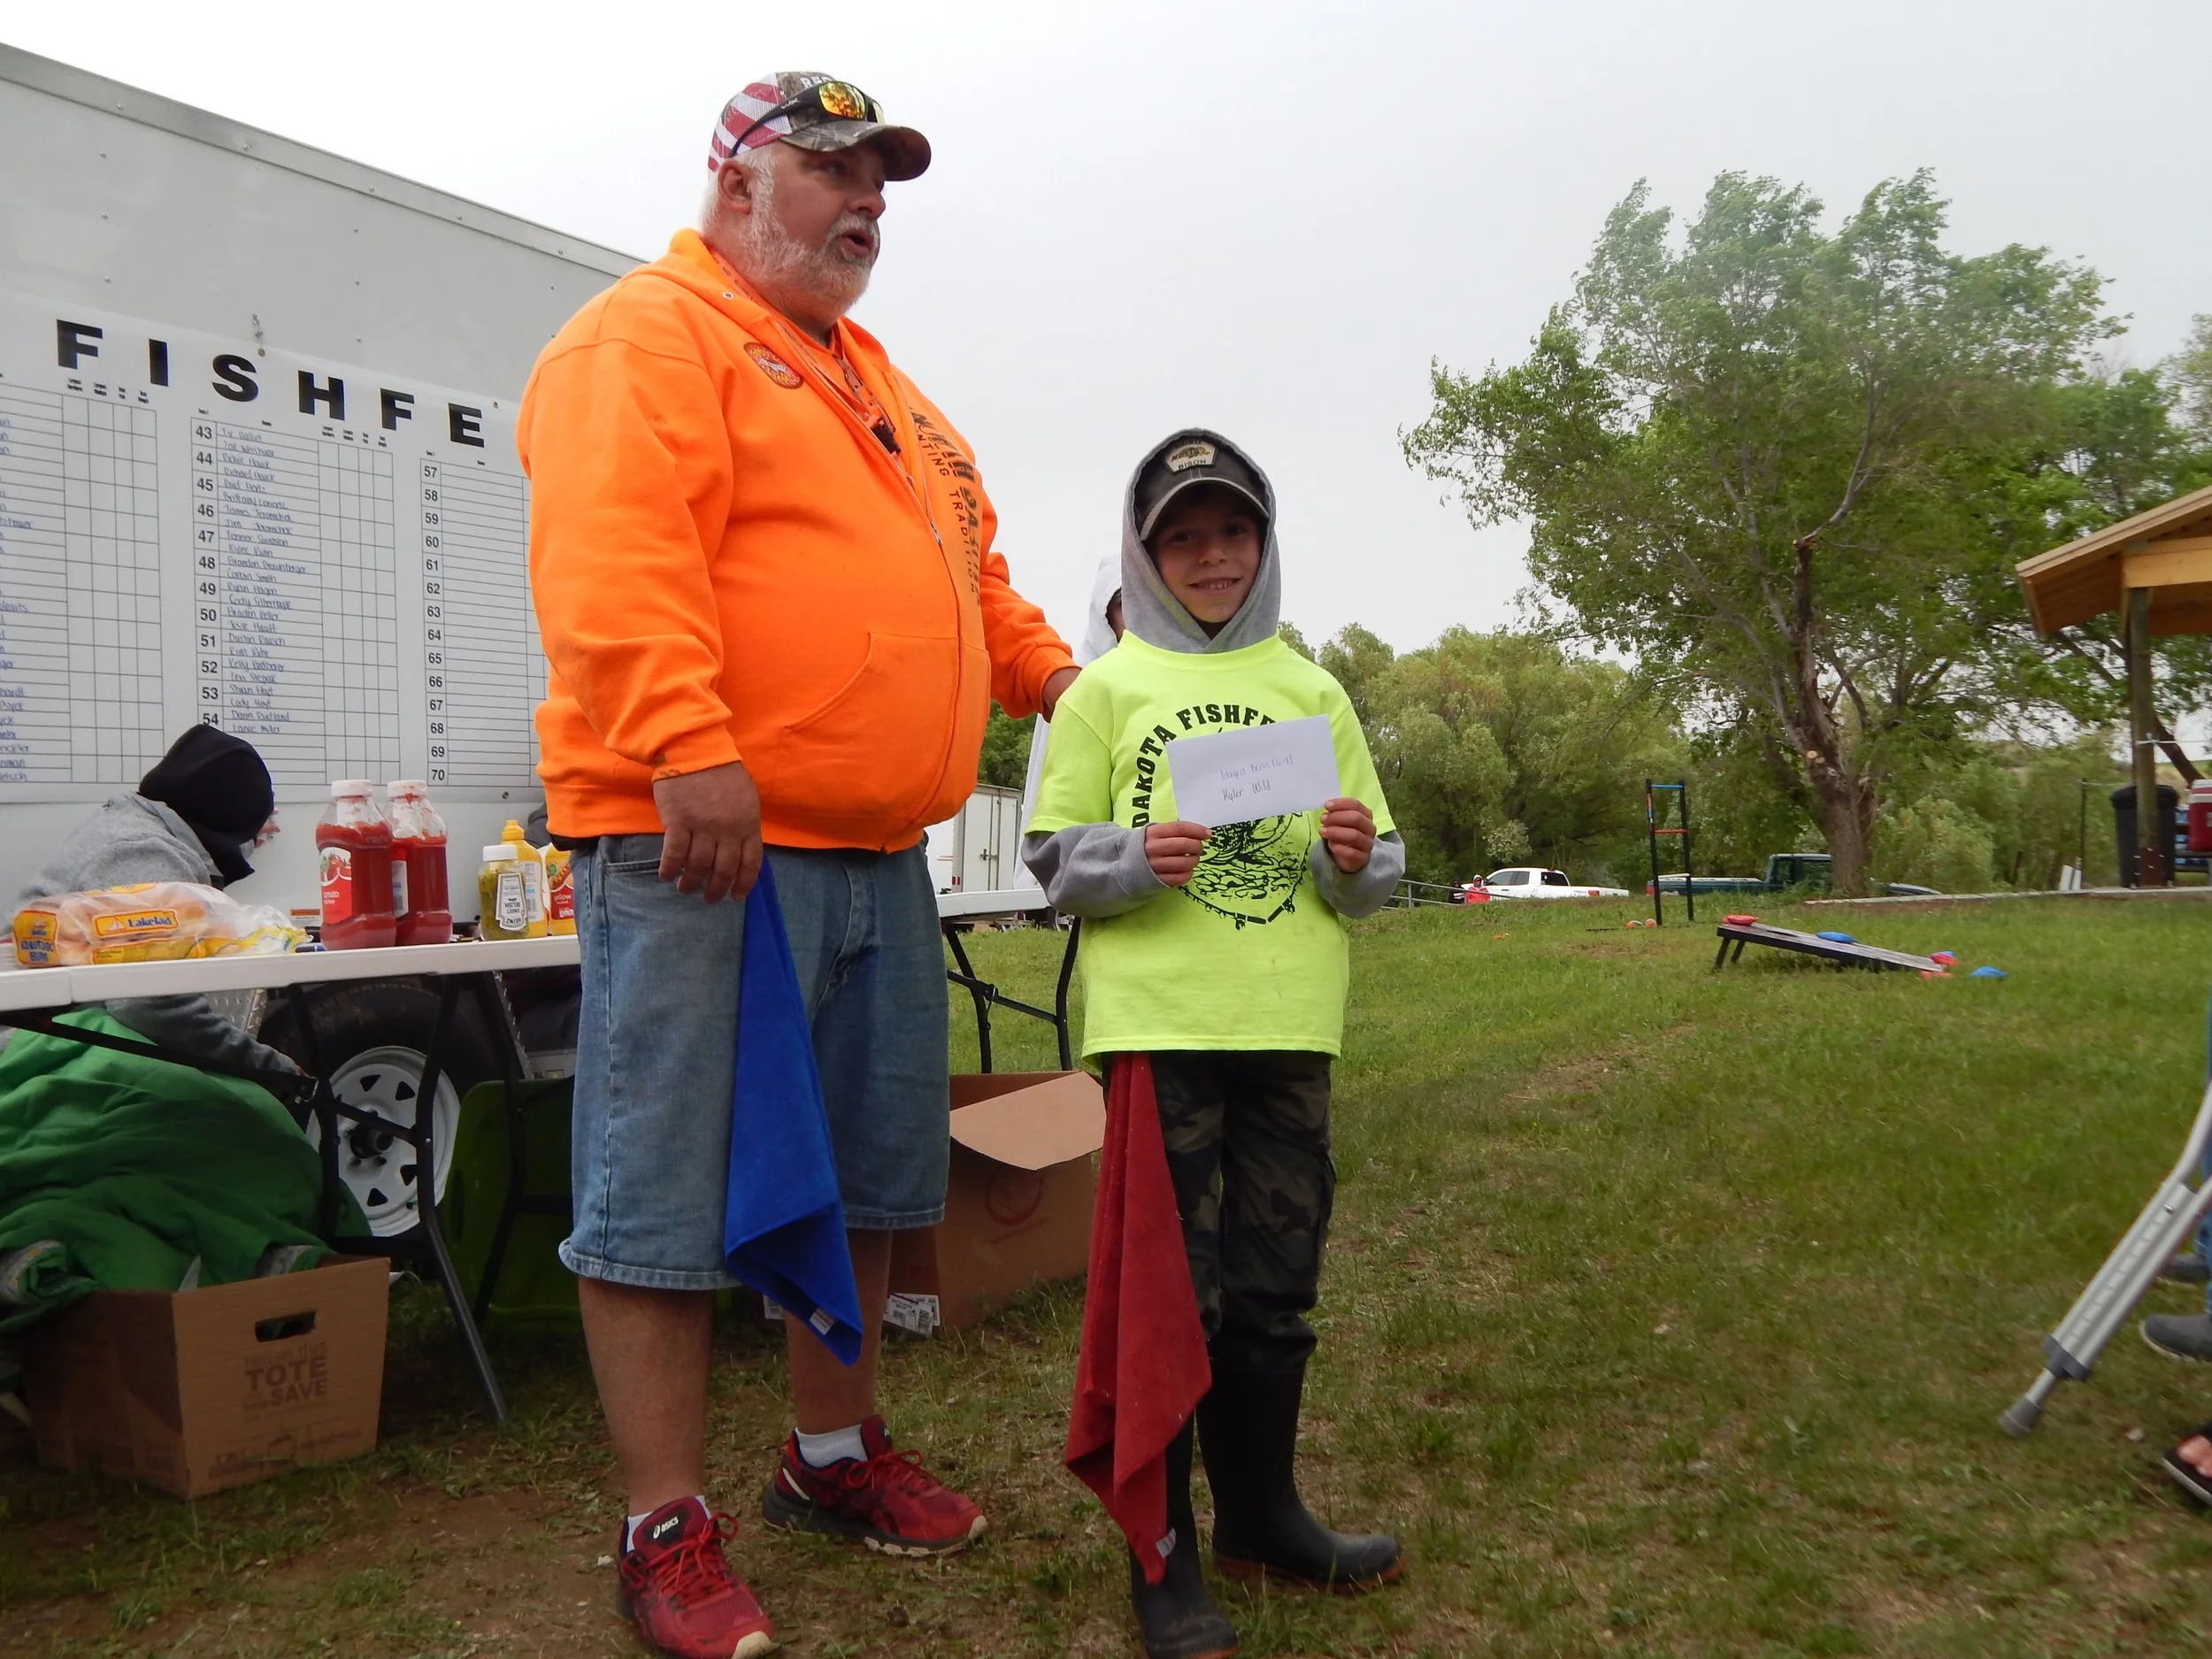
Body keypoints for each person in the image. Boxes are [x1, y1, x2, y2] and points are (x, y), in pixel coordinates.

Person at [519, 71, 1078, 1659]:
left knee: (869, 1180)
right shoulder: (649, 335)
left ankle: (829, 1454)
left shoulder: (891, 391)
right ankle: (662, 1523)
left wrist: (1071, 685)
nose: (866, 204)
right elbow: (613, 554)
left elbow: (976, 583)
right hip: (701, 840)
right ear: (736, 187)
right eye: (832, 172)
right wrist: (684, 740)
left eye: (879, 183)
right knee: (663, 1189)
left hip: (880, 853)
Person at [1024, 431, 1405, 1658]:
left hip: (1288, 1026)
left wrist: (1353, 859)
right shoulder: (1104, 691)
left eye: (1231, 531)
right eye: (1182, 537)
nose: (1210, 557)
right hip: (1161, 1031)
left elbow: (1378, 865)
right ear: (1145, 553)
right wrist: (1135, 857)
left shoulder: (1314, 691)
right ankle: (1164, 1553)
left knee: (1276, 1281)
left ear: (1264, 541)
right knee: (1169, 1299)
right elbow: (1053, 860)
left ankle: (1260, 1513)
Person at [12, 726, 292, 1076]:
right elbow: (151, 1007)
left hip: (50, 1044)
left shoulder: (131, 827)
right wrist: (271, 1070)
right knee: (252, 1107)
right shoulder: (145, 854)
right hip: (34, 1059)